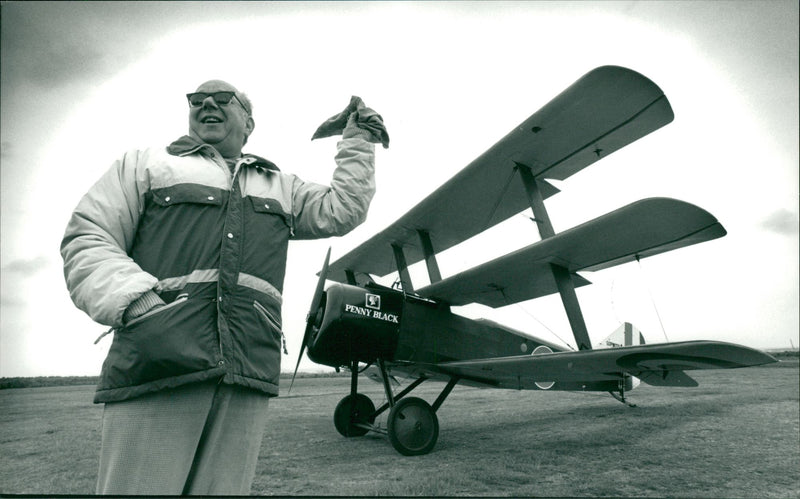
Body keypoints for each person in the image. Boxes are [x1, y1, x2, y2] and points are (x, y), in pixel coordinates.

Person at [60, 80, 386, 495]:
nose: (207, 103)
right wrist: (139, 303)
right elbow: (88, 236)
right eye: (197, 100)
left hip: (246, 369)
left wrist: (358, 140)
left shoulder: (280, 185)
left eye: (222, 99)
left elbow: (343, 210)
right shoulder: (144, 165)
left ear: (248, 122)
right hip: (159, 361)